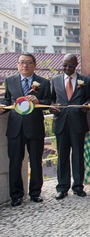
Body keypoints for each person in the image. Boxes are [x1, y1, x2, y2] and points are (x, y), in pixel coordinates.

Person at [0, 53, 52, 206]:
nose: (25, 65)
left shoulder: (43, 82)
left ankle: (35, 193)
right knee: (14, 162)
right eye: (22, 62)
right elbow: (7, 100)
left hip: (34, 127)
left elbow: (49, 102)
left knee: (36, 161)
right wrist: (3, 107)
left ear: (34, 65)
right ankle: (16, 195)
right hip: (15, 128)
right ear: (17, 65)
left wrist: (38, 100)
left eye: (29, 62)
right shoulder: (10, 81)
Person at [49, 54, 90, 200]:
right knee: (62, 156)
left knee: (78, 155)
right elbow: (50, 100)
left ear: (76, 65)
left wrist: (87, 105)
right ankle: (62, 187)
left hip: (78, 122)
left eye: (71, 66)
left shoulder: (85, 80)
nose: (67, 68)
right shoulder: (54, 80)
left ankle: (78, 186)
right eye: (65, 65)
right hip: (60, 122)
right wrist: (51, 108)